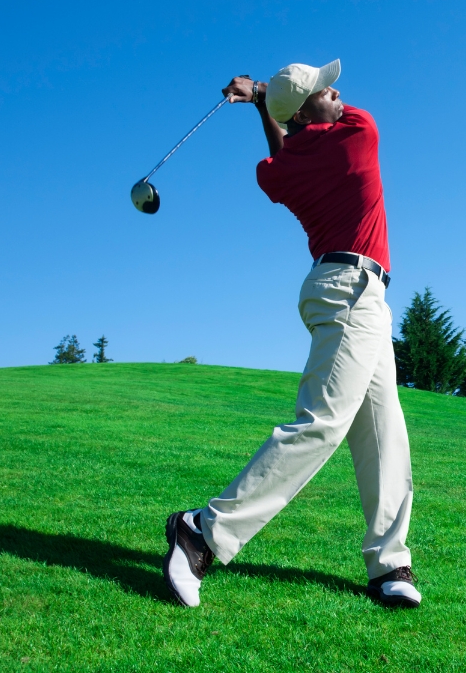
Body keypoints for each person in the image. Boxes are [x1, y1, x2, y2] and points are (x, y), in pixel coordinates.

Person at [162, 60, 420, 610]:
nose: (338, 92)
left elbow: (282, 158)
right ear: (305, 112)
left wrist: (262, 102)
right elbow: (304, 132)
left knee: (384, 433)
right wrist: (261, 96)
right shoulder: (359, 130)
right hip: (349, 290)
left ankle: (388, 562)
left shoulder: (277, 172)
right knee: (322, 422)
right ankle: (202, 531)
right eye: (325, 90)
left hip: (355, 294)